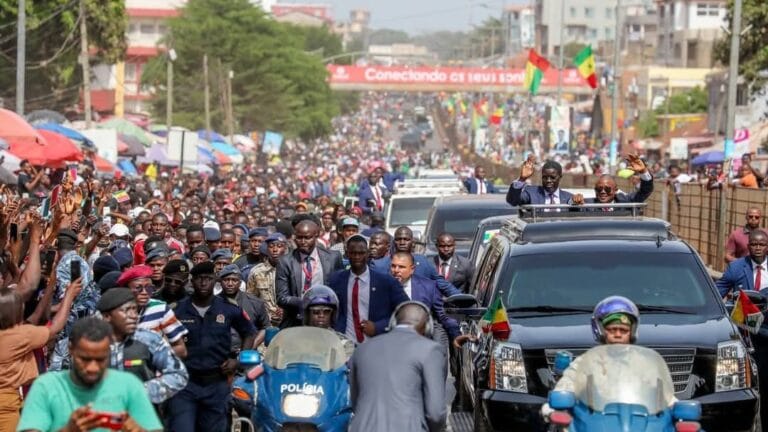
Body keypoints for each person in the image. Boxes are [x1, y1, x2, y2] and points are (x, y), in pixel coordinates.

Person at [17, 318, 163, 432]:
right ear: (71, 350)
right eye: (85, 359)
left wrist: (138, 430)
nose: (92, 368)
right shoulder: (46, 386)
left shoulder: (129, 385)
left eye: (101, 359)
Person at [167, 261, 257, 432]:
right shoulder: (177, 310)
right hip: (185, 383)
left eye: (208, 278)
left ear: (215, 280)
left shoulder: (228, 308)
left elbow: (249, 332)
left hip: (216, 383)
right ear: (191, 281)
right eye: (199, 279)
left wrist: (238, 360)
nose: (203, 283)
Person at [348, 302, 447, 432]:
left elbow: (355, 401)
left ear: (393, 322)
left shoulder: (363, 349)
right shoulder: (430, 350)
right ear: (428, 327)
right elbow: (436, 413)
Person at [0, 279, 81, 430]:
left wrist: (50, 285)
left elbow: (36, 316)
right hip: (6, 408)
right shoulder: (19, 336)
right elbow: (55, 327)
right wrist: (69, 296)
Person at [95, 288, 188, 404]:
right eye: (126, 310)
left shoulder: (149, 339)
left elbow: (178, 374)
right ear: (107, 317)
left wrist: (140, 392)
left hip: (142, 414)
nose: (134, 316)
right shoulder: (90, 344)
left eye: (135, 310)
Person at [329, 235, 408, 342]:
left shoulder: (386, 282)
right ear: (347, 254)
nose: (357, 257)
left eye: (361, 253)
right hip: (345, 343)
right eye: (353, 253)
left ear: (367, 254)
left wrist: (379, 327)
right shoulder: (336, 280)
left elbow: (406, 310)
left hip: (376, 343)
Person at [276, 220, 344, 328]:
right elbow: (282, 298)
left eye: (307, 238)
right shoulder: (285, 262)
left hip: (325, 321)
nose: (303, 242)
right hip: (296, 321)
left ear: (316, 236)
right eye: (299, 237)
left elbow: (340, 291)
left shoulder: (332, 258)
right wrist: (307, 302)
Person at [117, 265, 188, 359]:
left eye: (149, 288)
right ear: (126, 290)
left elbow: (181, 349)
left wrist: (152, 356)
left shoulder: (160, 308)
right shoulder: (114, 312)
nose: (145, 292)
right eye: (138, 288)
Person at [390, 252, 459, 345]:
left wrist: (456, 335)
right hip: (392, 340)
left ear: (412, 269)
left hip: (421, 341)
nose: (396, 270)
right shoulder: (382, 286)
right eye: (393, 266)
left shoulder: (428, 287)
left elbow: (442, 315)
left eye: (401, 267)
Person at [371, 226, 461, 297]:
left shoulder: (423, 262)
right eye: (399, 239)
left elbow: (443, 285)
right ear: (394, 242)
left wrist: (463, 299)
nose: (402, 242)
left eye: (406, 239)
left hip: (418, 312)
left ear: (412, 242)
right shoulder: (379, 266)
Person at [218, 264, 268, 351]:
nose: (230, 284)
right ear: (220, 282)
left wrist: (249, 349)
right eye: (226, 280)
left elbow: (265, 327)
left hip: (248, 355)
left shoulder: (255, 303)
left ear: (240, 282)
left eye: (234, 280)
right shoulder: (212, 303)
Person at [301, 285, 355, 358]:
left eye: (326, 311)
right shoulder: (296, 340)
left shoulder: (343, 343)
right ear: (307, 314)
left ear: (332, 314)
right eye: (316, 311)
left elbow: (347, 365)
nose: (321, 315)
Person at [247, 233, 288, 326]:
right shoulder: (257, 272)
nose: (275, 250)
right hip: (265, 323)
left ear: (285, 248)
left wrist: (285, 310)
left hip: (288, 321)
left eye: (279, 246)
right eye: (271, 246)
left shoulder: (292, 270)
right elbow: (251, 299)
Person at [716, 229, 768, 298]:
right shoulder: (735, 268)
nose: (758, 248)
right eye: (754, 244)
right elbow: (715, 295)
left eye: (762, 245)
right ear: (748, 246)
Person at [506, 155, 574, 206]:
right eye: (545, 177)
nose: (548, 180)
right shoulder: (531, 193)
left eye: (552, 177)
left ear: (560, 177)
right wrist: (522, 179)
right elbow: (512, 201)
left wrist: (577, 202)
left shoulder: (569, 198)